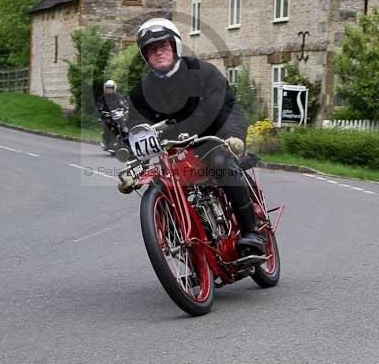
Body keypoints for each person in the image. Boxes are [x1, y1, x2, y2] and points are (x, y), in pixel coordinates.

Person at [124, 18, 266, 256]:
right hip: (173, 148)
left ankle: (251, 232)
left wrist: (233, 138)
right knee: (162, 185)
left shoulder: (202, 72)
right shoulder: (141, 91)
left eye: (163, 45)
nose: (158, 51)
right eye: (151, 48)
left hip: (213, 136)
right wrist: (133, 166)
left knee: (222, 164)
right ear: (144, 55)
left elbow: (223, 109)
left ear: (175, 46)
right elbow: (136, 129)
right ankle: (191, 255)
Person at [96, 80, 128, 151]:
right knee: (107, 126)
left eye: (110, 88)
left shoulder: (119, 97)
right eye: (107, 88)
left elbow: (125, 105)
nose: (109, 90)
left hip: (118, 116)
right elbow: (98, 108)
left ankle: (127, 141)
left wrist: (126, 109)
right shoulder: (102, 98)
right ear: (105, 89)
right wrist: (101, 113)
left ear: (114, 88)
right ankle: (106, 144)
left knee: (125, 127)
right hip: (107, 117)